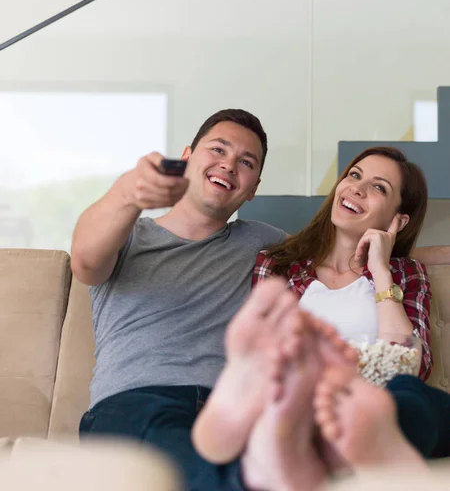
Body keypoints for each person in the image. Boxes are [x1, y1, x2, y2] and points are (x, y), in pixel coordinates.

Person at [72, 111, 449, 490]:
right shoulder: (127, 234)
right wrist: (128, 191)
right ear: (186, 156)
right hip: (142, 401)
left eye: (246, 162)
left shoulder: (262, 245)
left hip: (235, 410)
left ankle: (335, 450)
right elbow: (85, 260)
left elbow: (343, 250)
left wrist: (393, 260)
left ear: (253, 189)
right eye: (218, 149)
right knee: (199, 462)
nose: (229, 165)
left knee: (406, 399)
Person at [193, 146, 450, 470]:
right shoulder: (278, 266)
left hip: (386, 405)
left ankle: (357, 445)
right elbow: (264, 358)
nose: (357, 187)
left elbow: (413, 364)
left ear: (397, 220)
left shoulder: (405, 274)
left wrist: (381, 271)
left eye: (378, 187)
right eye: (354, 175)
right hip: (311, 406)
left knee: (409, 396)